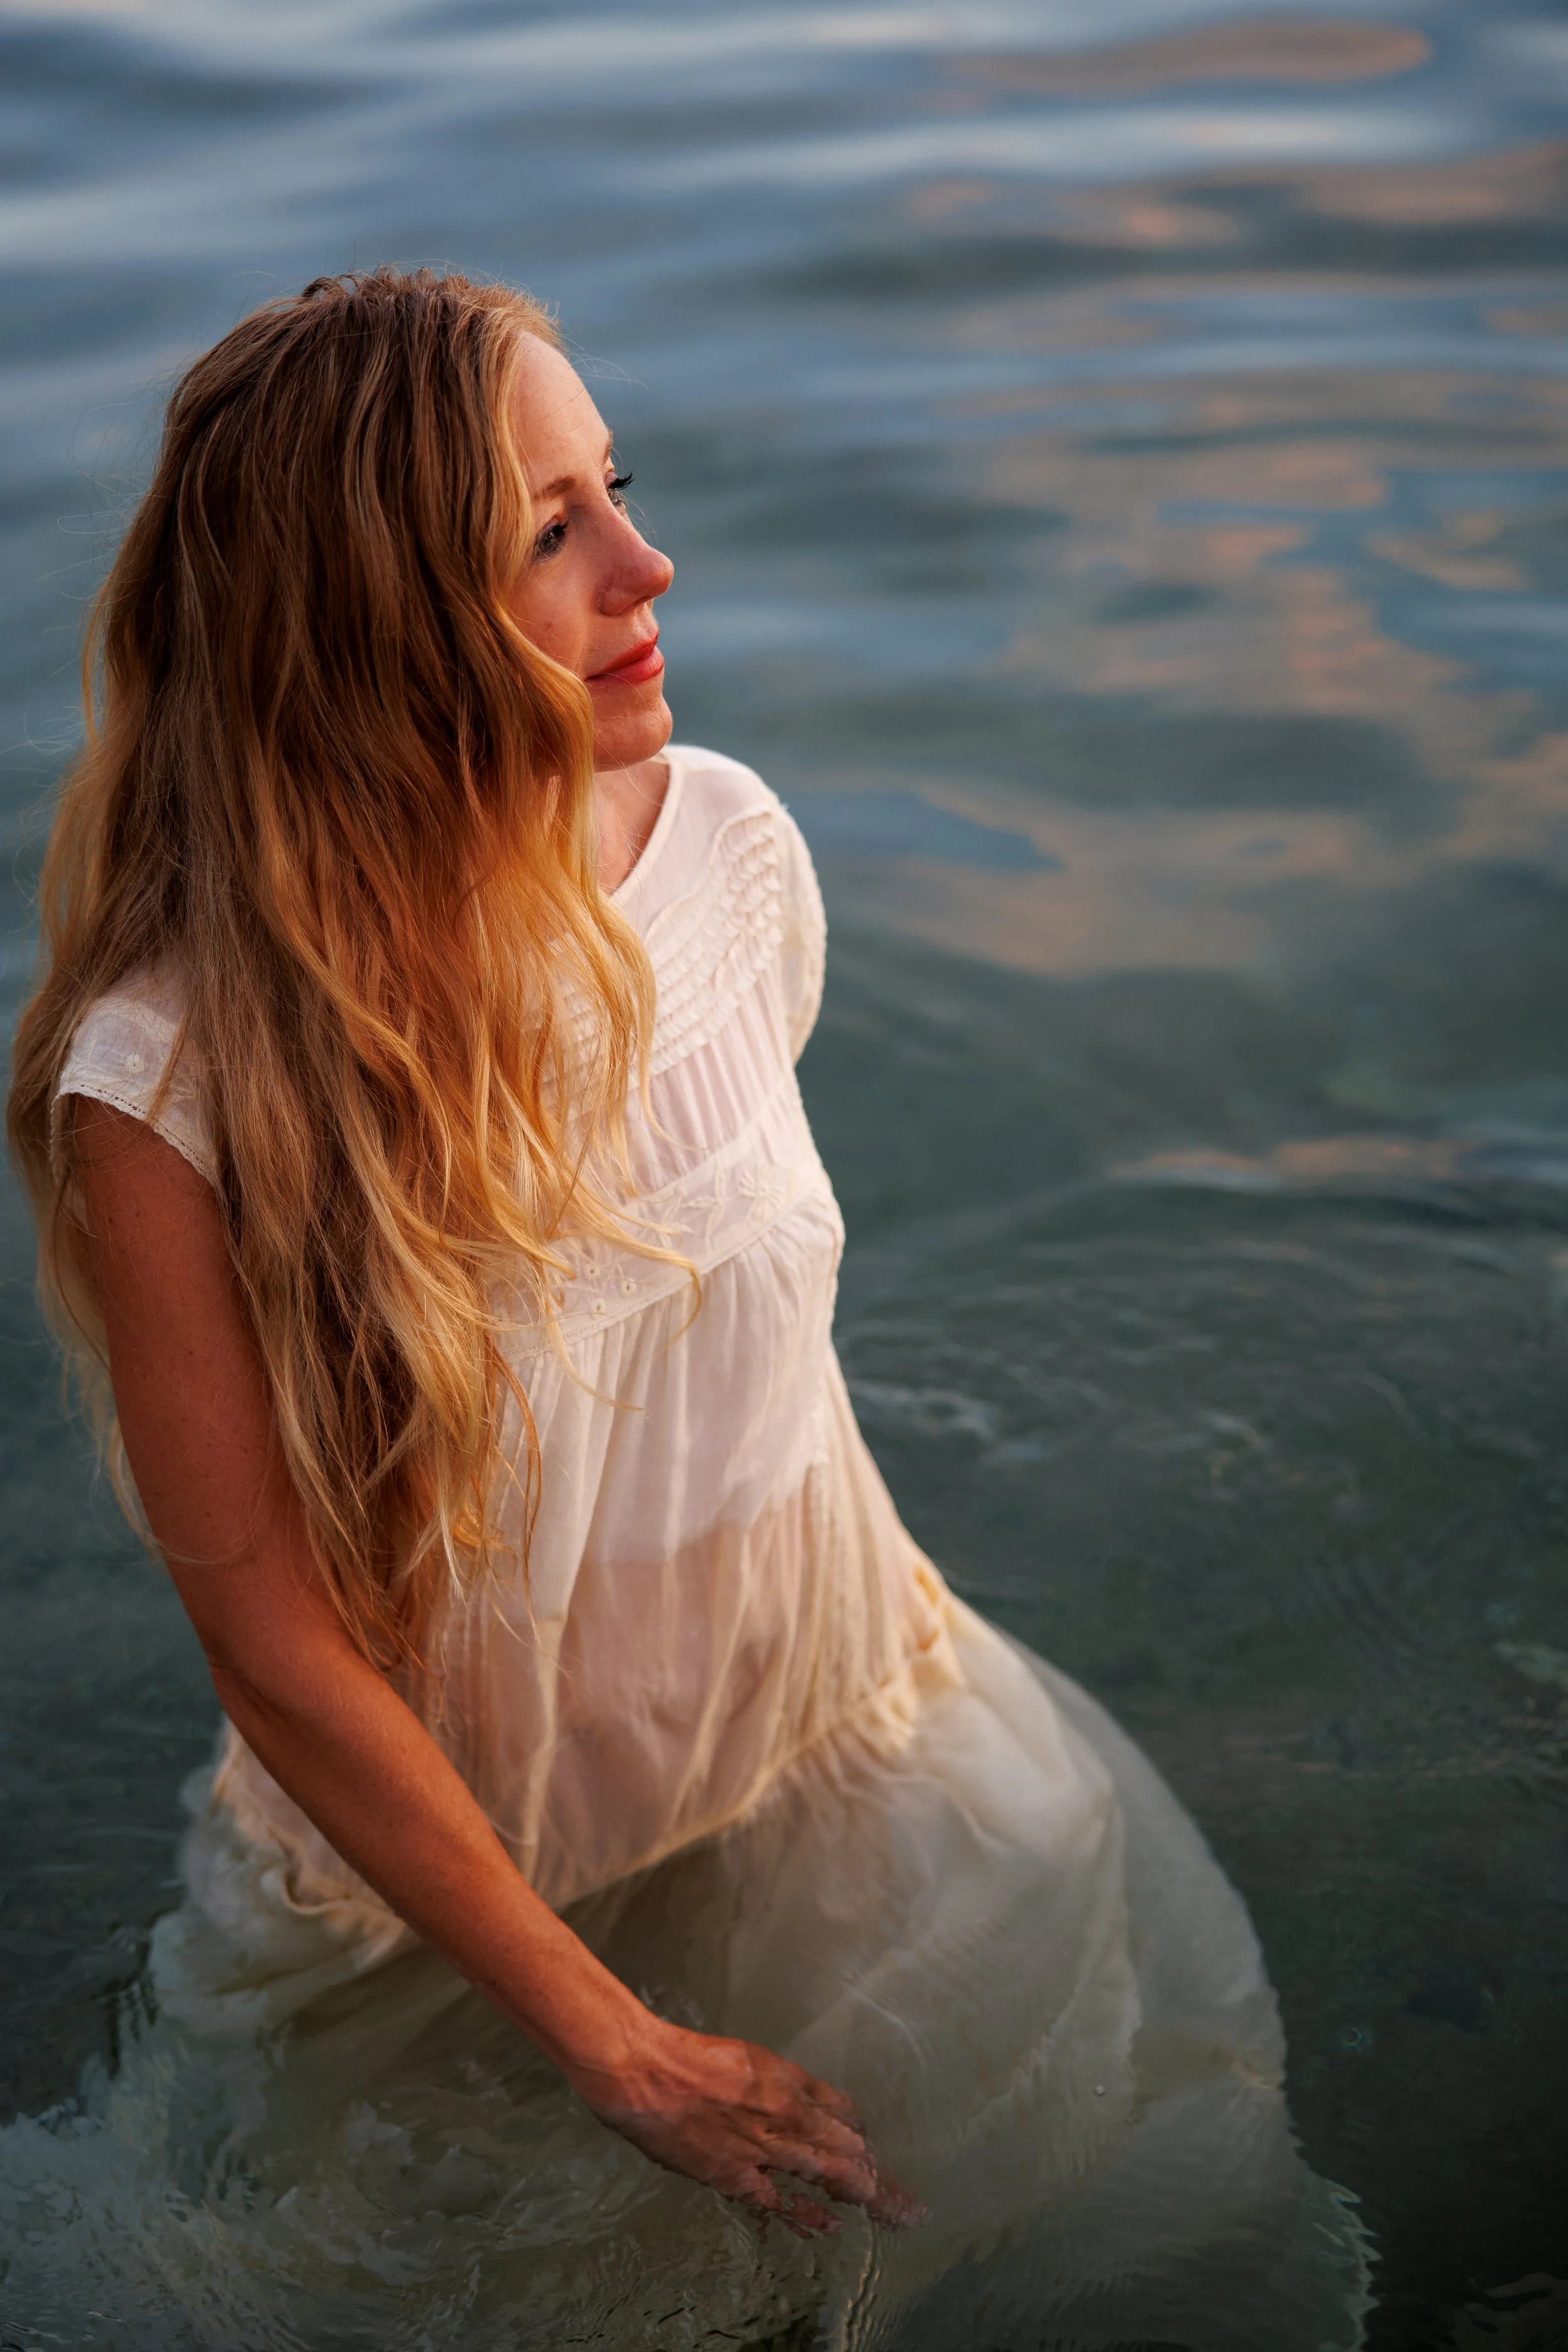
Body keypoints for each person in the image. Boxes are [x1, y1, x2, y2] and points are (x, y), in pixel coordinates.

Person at [3, 268, 1369, 2349]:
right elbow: (270, 1636)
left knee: (1083, 2231)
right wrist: (607, 2036)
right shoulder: (173, 1077)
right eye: (545, 534)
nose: (651, 562)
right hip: (448, 1885)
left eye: (612, 485)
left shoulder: (728, 854)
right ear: (376, 625)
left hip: (844, 1741)